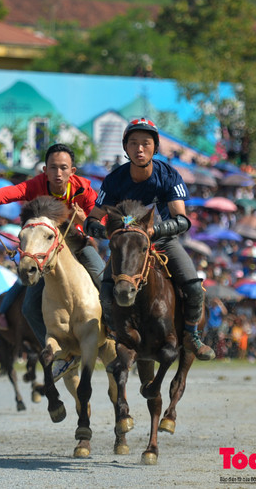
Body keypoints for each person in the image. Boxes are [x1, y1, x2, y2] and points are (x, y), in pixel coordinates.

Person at [83, 118, 215, 361]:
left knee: (194, 287)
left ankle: (191, 335)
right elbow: (91, 221)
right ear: (125, 148)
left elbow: (182, 220)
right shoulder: (114, 179)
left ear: (155, 147)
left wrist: (155, 231)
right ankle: (113, 335)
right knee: (106, 289)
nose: (139, 149)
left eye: (145, 143)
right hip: (127, 248)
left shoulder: (169, 175)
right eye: (133, 143)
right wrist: (107, 233)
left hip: (162, 242)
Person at [0, 143, 102, 346]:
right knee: (28, 308)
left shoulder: (85, 190)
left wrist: (85, 221)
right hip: (44, 253)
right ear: (45, 170)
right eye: (53, 167)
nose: (58, 173)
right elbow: (9, 193)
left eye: (64, 168)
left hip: (78, 244)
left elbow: (102, 222)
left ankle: (115, 332)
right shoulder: (35, 185)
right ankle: (52, 347)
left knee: (105, 280)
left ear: (72, 171)